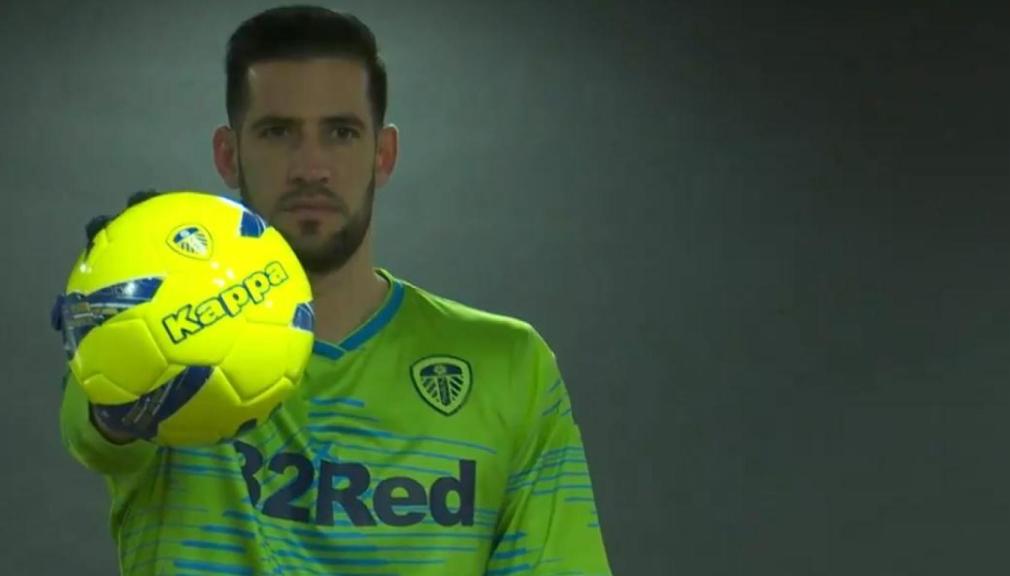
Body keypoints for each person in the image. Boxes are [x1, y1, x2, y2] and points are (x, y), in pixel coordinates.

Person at [57, 5, 612, 575]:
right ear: (229, 154)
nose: (311, 166)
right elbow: (103, 430)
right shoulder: (162, 348)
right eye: (278, 132)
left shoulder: (510, 366)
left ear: (383, 154)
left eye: (341, 133)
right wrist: (111, 328)